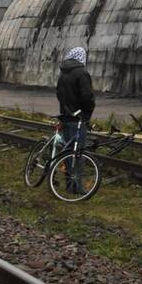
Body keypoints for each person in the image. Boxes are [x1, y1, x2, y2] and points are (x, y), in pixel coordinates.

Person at [56, 46, 95, 192]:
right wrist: (86, 114)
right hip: (77, 119)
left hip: (65, 116)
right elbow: (87, 97)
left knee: (67, 152)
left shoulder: (63, 72)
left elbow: (59, 93)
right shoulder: (81, 73)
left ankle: (68, 184)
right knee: (78, 153)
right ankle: (76, 186)